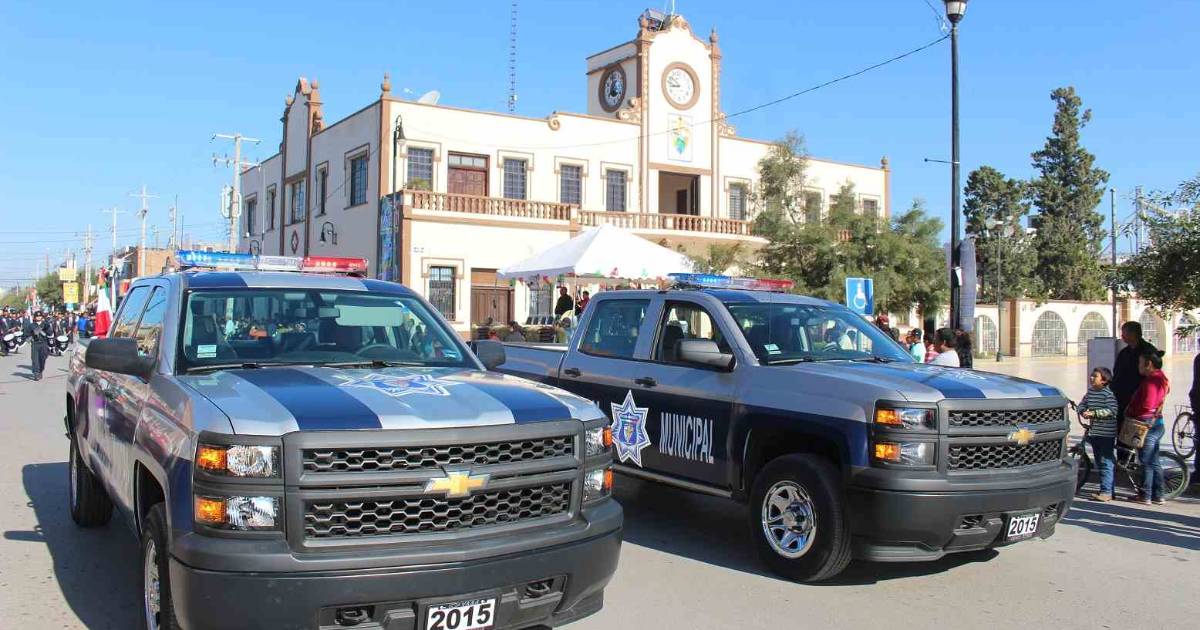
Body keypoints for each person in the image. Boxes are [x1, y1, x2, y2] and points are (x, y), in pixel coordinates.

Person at [1124, 349, 1170, 505]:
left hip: (1147, 425)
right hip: (1157, 423)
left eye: (1140, 362)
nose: (1138, 366)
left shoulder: (1152, 381)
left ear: (1148, 364)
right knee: (1154, 461)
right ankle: (1159, 494)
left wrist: (1132, 412)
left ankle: (1146, 495)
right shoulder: (1162, 377)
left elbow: (1148, 405)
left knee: (1146, 461)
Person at [1078, 367, 1119, 501]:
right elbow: (1082, 404)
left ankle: (1106, 492)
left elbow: (1112, 410)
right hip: (1095, 431)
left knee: (1105, 461)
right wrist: (1082, 410)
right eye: (1092, 375)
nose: (1091, 378)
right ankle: (1108, 490)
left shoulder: (1108, 394)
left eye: (1095, 376)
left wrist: (1094, 413)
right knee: (1099, 461)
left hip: (1106, 433)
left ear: (1104, 380)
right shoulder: (1090, 392)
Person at [1111, 321, 1158, 427]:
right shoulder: (1124, 353)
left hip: (1140, 402)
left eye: (1124, 333)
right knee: (1121, 431)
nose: (1122, 336)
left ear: (1133, 334)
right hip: (1121, 399)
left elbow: (1154, 377)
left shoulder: (1148, 351)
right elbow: (1117, 374)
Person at [24, 311, 51, 380]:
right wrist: (32, 335)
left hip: (43, 343)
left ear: (42, 317)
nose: (38, 317)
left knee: (42, 359)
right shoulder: (31, 325)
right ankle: (36, 373)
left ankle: (40, 371)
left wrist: (46, 329)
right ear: (35, 317)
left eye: (40, 316)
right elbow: (26, 335)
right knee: (35, 359)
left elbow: (50, 333)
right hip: (35, 343)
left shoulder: (45, 324)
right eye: (37, 316)